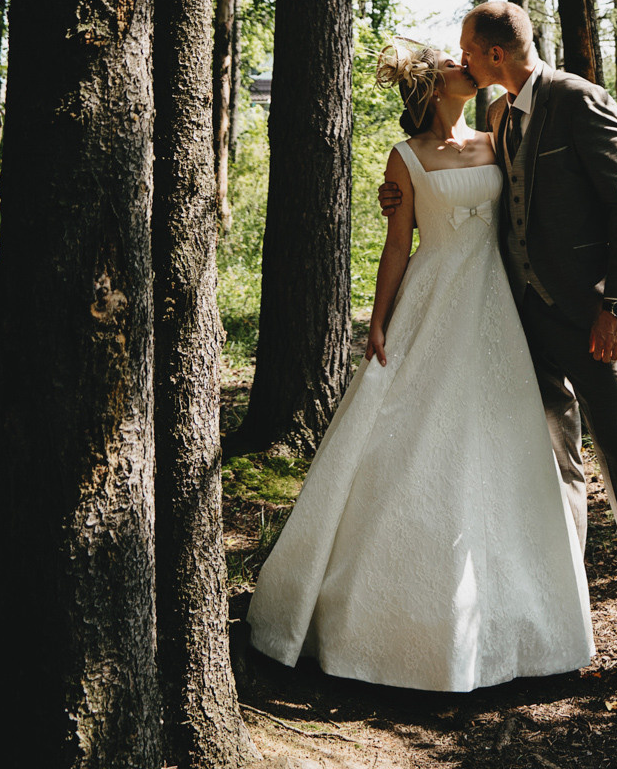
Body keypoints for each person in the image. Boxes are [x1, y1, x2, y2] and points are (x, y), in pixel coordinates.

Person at [247, 38, 594, 694]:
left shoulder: (499, 133)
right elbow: (398, 246)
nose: (468, 67)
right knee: (414, 445)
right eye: (453, 64)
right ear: (434, 88)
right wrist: (378, 319)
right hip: (432, 302)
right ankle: (383, 624)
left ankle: (521, 622)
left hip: (495, 307)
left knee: (501, 450)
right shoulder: (403, 159)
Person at [380, 1, 617, 699]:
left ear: (494, 54)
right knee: (554, 469)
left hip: (593, 322)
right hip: (519, 322)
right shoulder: (496, 118)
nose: (460, 62)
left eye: (467, 51)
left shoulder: (578, 100)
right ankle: (563, 621)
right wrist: (400, 191)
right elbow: (471, 193)